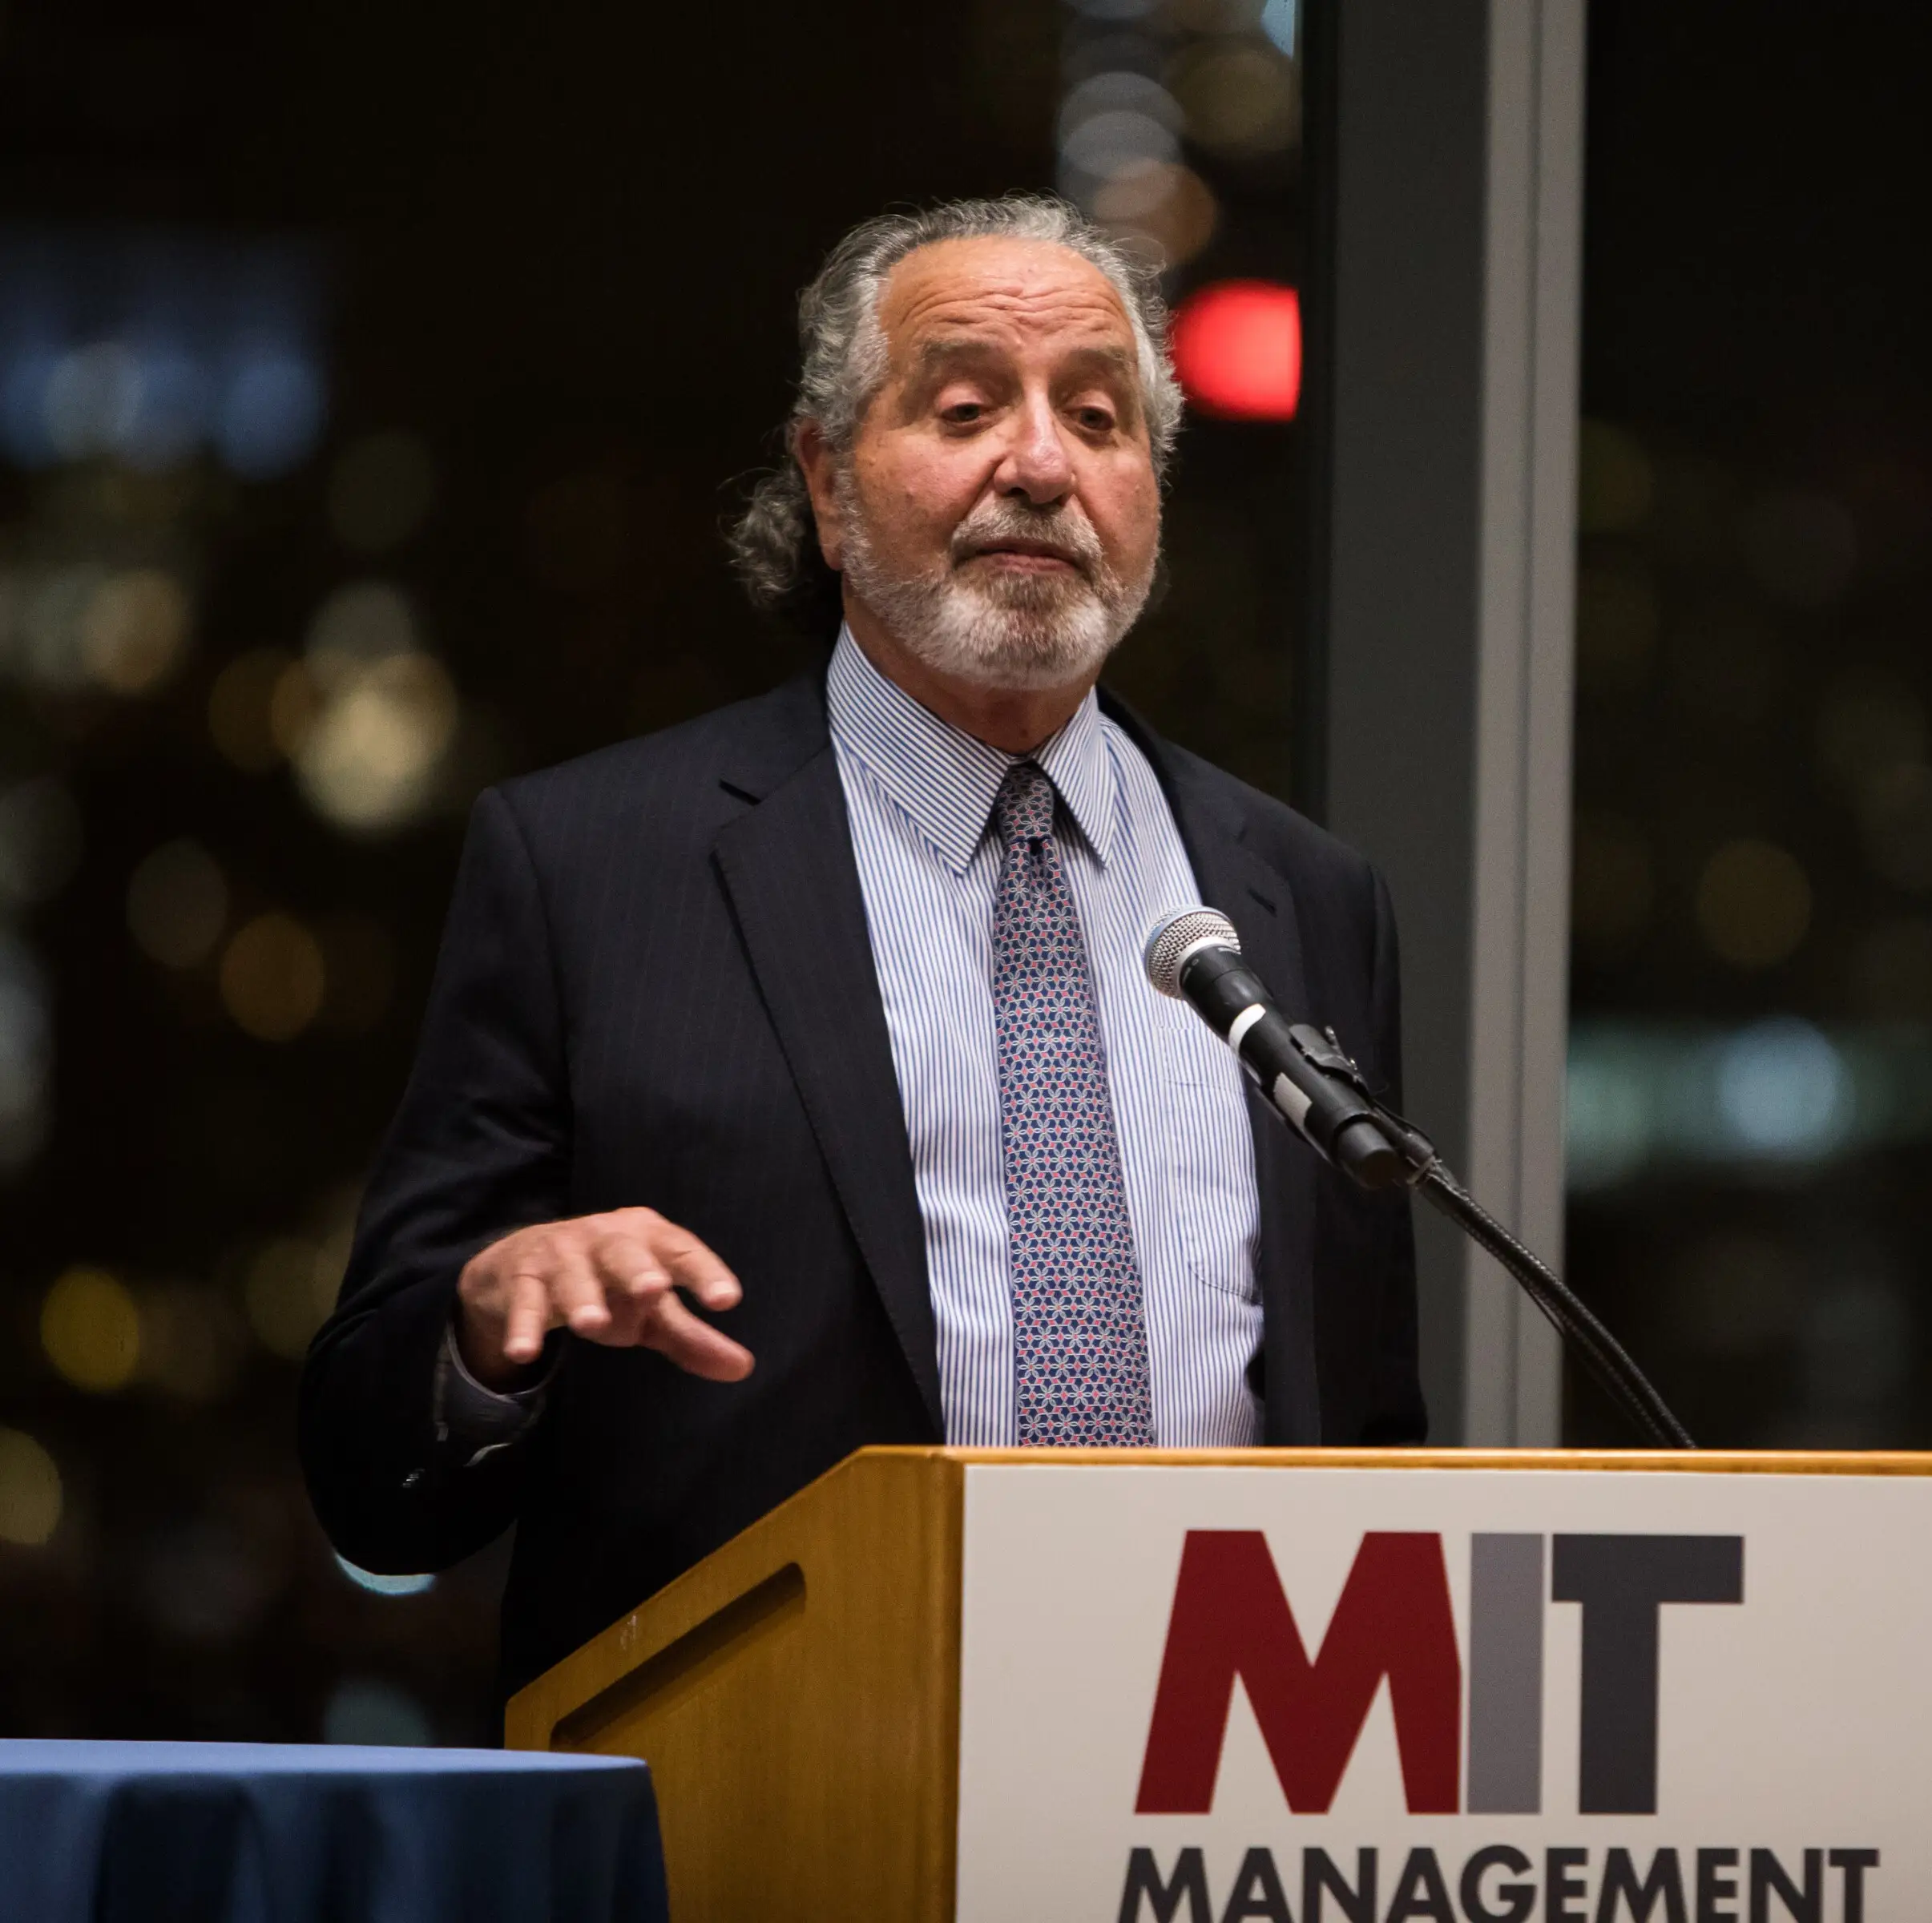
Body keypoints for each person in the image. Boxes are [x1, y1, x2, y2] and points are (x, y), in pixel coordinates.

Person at [300, 197, 1424, 1695]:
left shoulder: (1300, 898)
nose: (1038, 463)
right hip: (767, 1801)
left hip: (1204, 1800)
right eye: (965, 408)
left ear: (1147, 487)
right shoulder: (589, 868)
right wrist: (486, 1336)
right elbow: (375, 1487)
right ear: (827, 483)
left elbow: (1370, 1439)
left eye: (1097, 418)